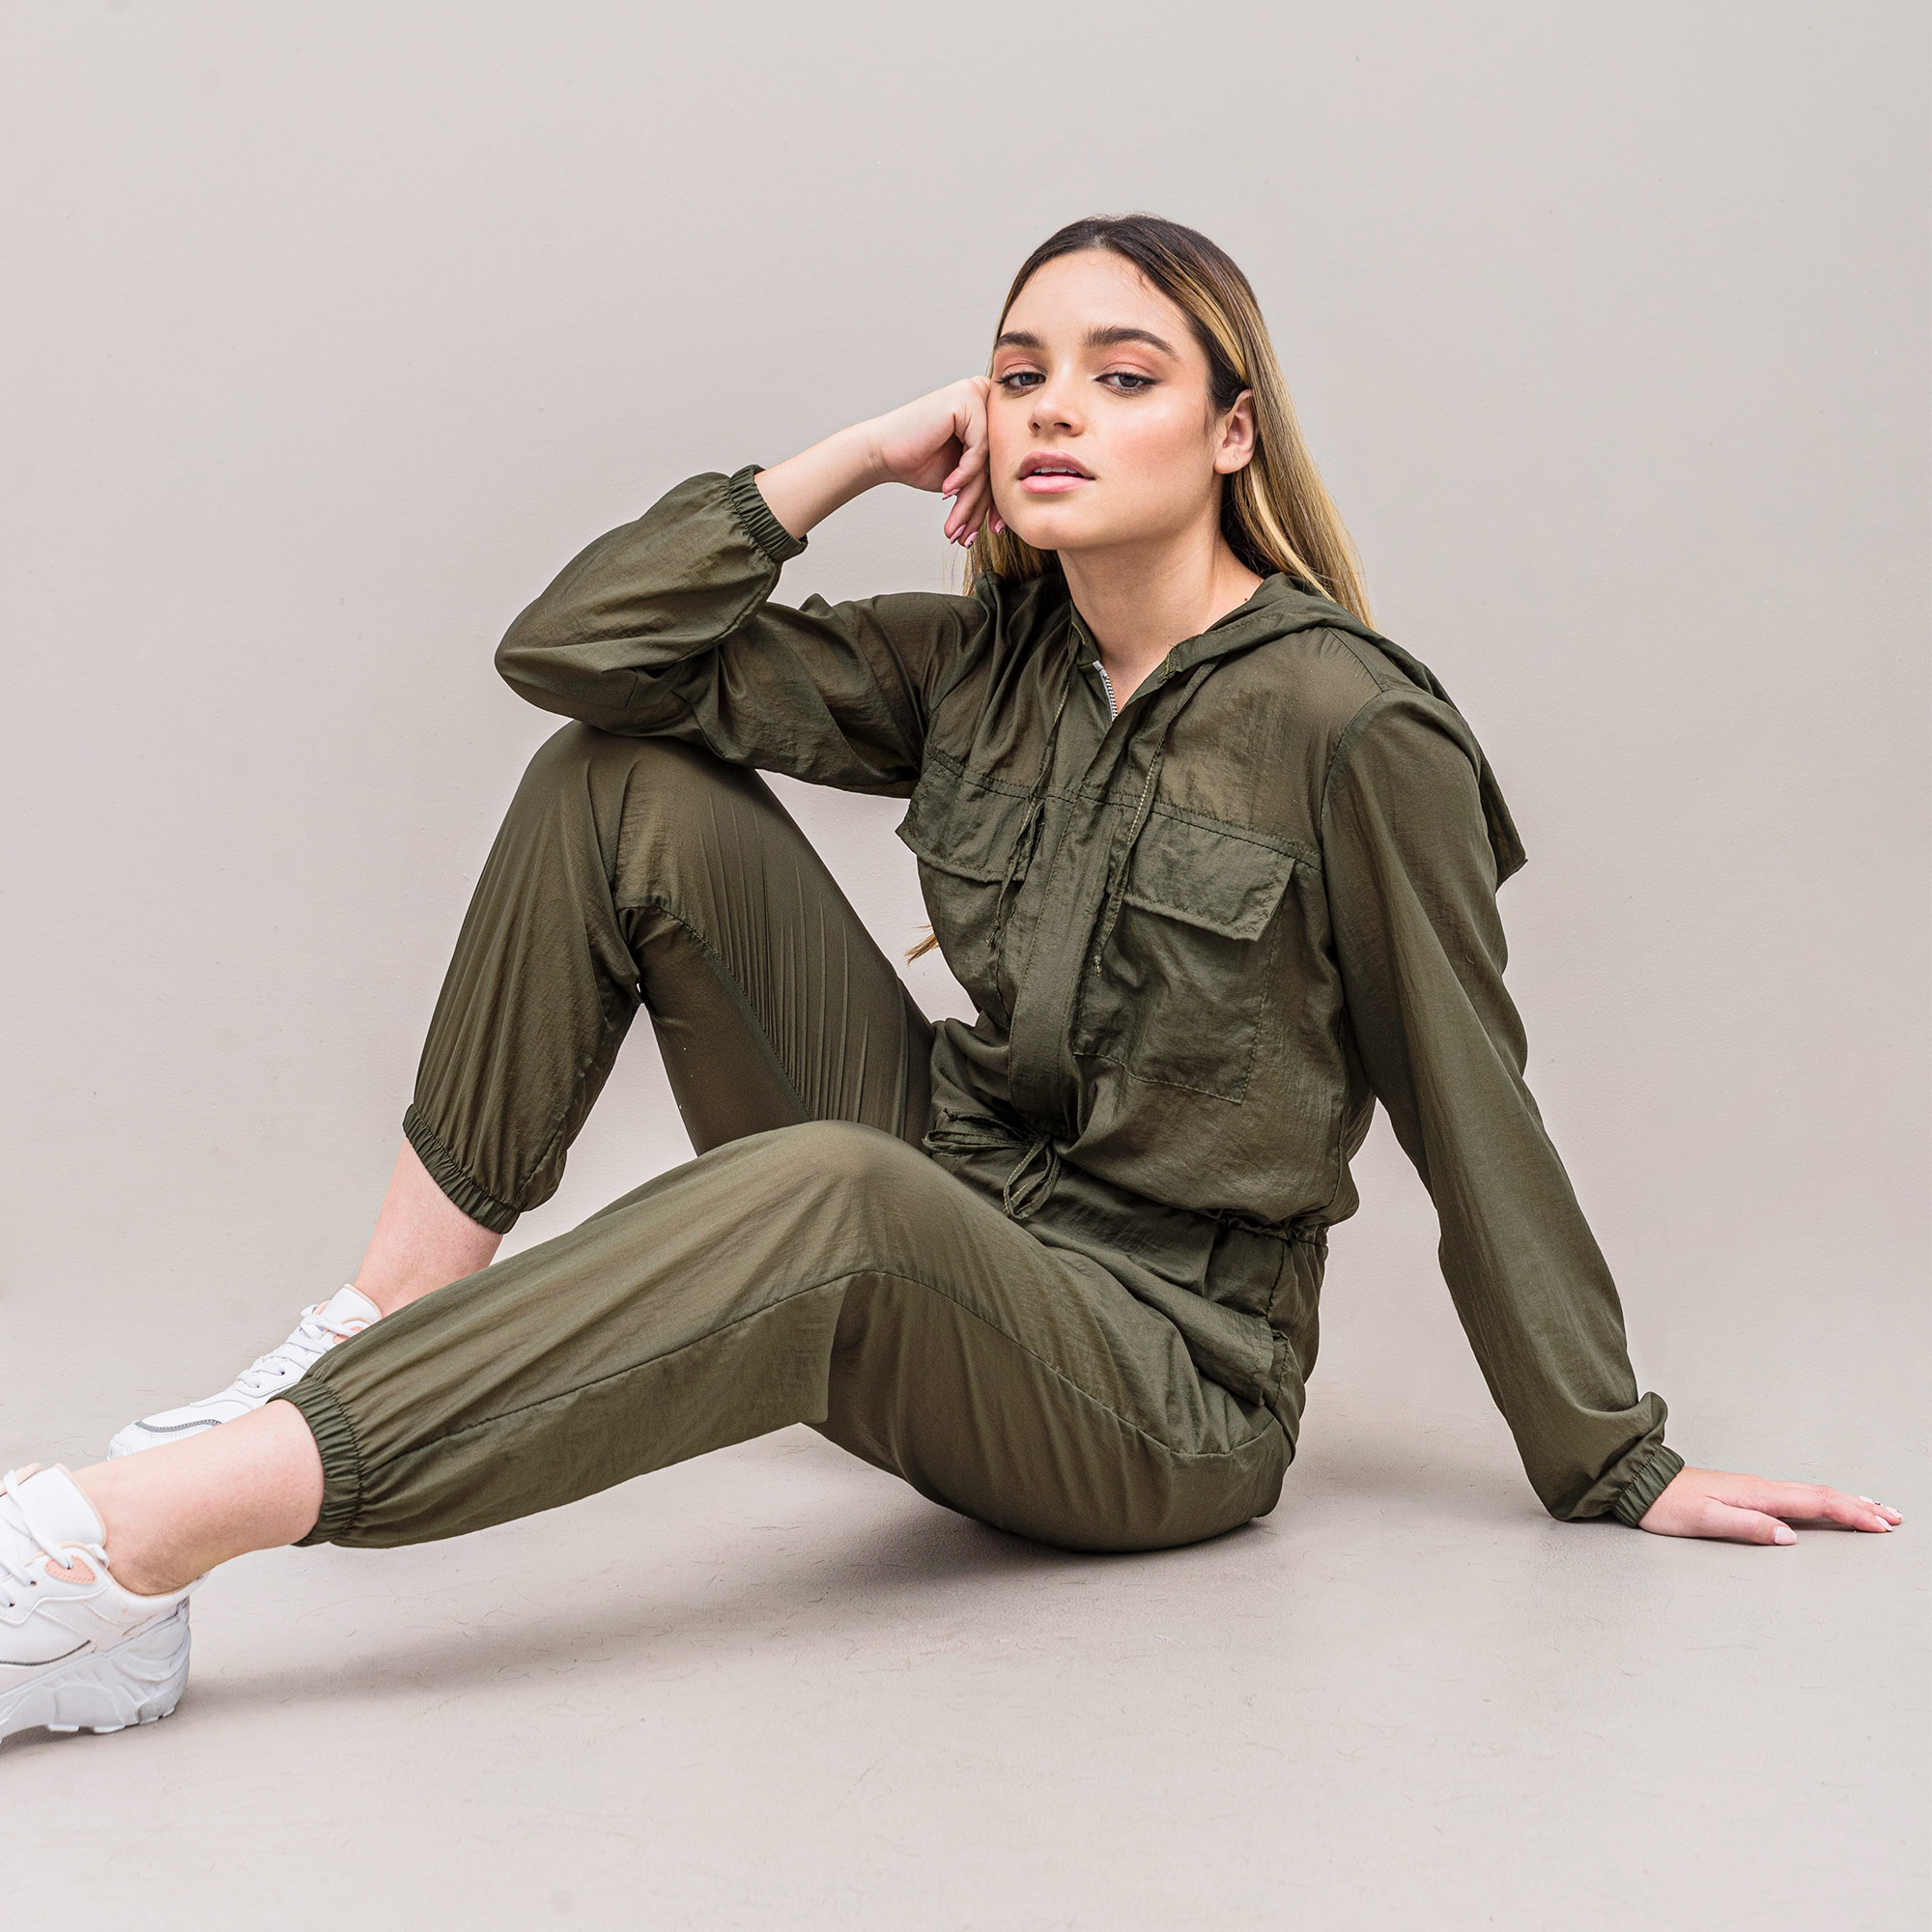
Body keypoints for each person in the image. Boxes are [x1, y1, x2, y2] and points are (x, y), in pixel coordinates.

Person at [1, 213, 1898, 1746]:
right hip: (947, 1220)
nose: (1055, 410)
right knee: (620, 782)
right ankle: (377, 1323)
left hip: (1157, 1383)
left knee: (839, 1191)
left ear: (1233, 432)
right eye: (1019, 373)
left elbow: (1470, 1094)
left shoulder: (1349, 724)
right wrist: (842, 461)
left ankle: (122, 1553)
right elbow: (575, 658)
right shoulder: (985, 660)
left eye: (1124, 376)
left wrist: (1612, 1456)